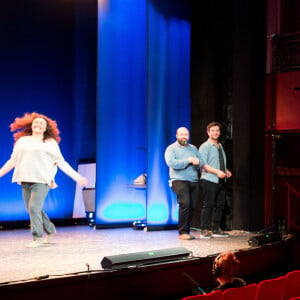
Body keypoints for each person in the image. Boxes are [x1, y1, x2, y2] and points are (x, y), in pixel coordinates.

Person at [0, 112, 88, 248]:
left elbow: (61, 162)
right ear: (32, 125)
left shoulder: (50, 143)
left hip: (42, 180)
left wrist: (77, 177)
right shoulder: (22, 141)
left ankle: (37, 238)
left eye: (42, 123)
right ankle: (51, 230)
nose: (39, 124)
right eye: (36, 122)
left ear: (46, 128)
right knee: (33, 209)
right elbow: (13, 160)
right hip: (24, 179)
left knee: (34, 208)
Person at [165, 127, 204, 240]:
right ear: (177, 136)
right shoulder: (171, 149)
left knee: (192, 206)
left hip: (193, 180)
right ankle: (183, 232)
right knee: (185, 203)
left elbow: (201, 162)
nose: (184, 136)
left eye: (186, 134)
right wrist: (188, 160)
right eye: (181, 134)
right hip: (179, 180)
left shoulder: (193, 148)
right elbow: (172, 163)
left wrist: (197, 162)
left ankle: (187, 230)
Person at [198, 121, 232, 238]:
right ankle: (203, 230)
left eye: (217, 130)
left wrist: (225, 170)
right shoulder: (205, 146)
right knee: (208, 205)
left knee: (220, 205)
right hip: (209, 180)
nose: (215, 132)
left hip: (220, 181)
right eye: (213, 131)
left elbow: (218, 162)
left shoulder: (220, 146)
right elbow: (203, 165)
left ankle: (216, 229)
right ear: (208, 132)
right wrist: (217, 172)